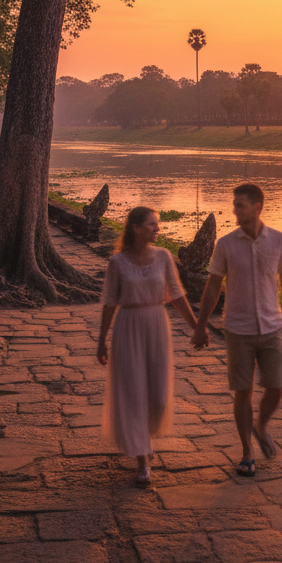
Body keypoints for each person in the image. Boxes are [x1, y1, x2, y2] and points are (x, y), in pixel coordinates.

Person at [191, 182, 282, 477]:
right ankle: (247, 450)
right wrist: (201, 325)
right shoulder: (226, 244)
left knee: (277, 386)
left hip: (272, 325)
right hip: (237, 328)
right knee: (243, 391)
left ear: (257, 207)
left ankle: (261, 425)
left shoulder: (277, 240)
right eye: (234, 205)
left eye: (240, 205)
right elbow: (213, 286)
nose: (235, 210)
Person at [97, 206, 198, 486]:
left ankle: (144, 440)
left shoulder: (164, 257)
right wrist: (101, 340)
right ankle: (142, 458)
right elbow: (109, 302)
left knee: (158, 396)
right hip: (128, 326)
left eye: (158, 224)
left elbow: (177, 295)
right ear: (136, 228)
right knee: (134, 393)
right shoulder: (118, 262)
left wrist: (197, 327)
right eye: (152, 224)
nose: (158, 229)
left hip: (156, 324)